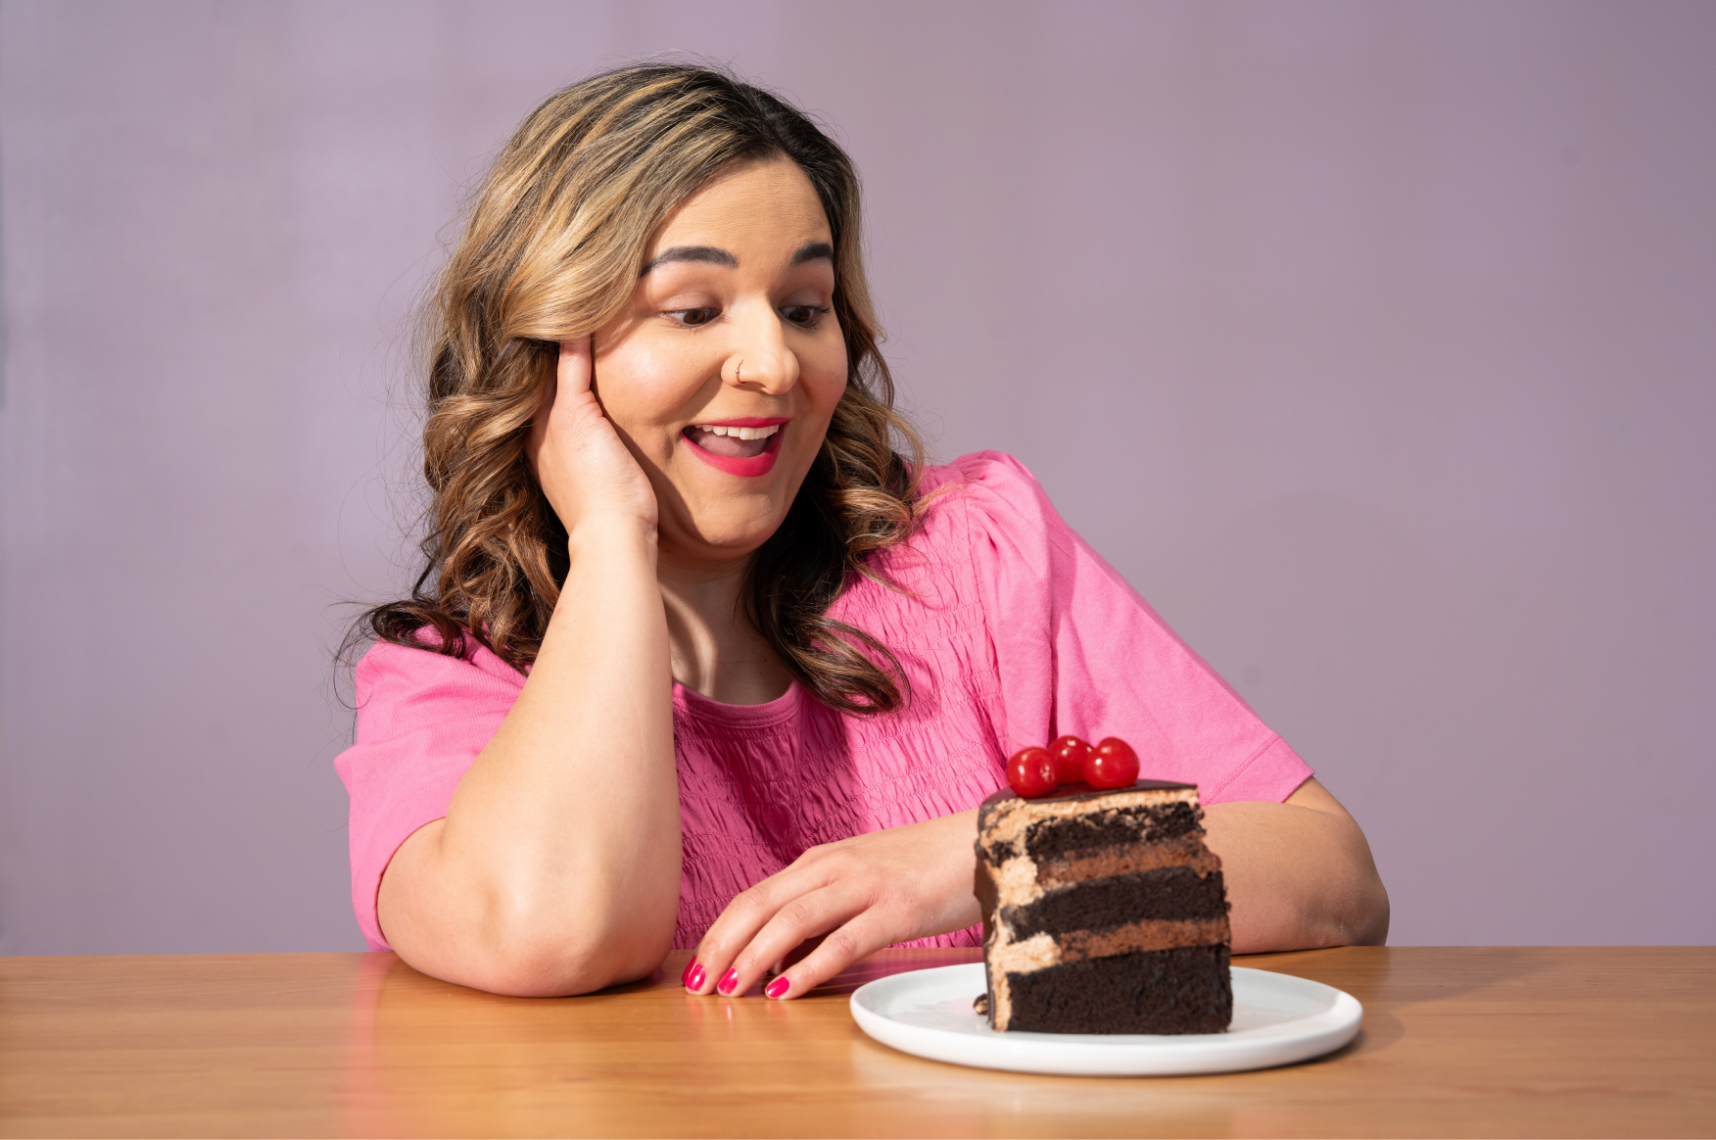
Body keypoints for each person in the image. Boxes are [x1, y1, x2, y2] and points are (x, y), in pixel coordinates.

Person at [336, 63, 1389, 1000]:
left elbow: (1334, 878)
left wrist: (968, 862)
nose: (775, 365)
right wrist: (613, 536)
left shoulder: (978, 551)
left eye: (803, 305)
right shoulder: (450, 685)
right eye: (694, 310)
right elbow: (554, 934)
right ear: (552, 353)